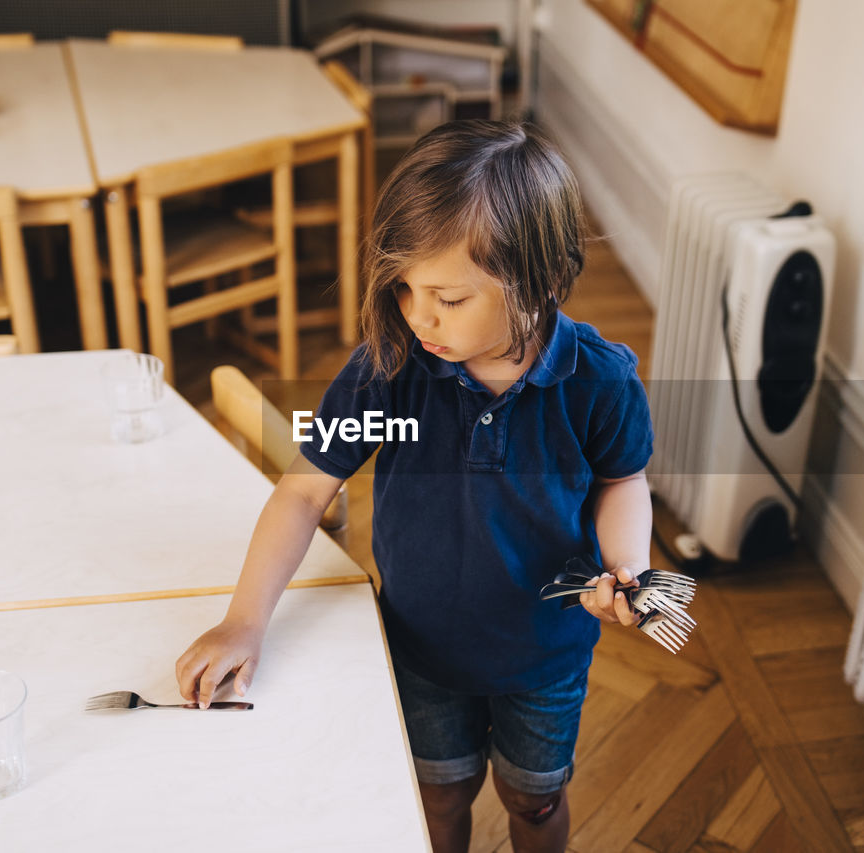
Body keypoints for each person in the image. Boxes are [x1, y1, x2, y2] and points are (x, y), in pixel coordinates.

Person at [176, 119, 654, 853]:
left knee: (534, 801)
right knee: (436, 800)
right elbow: (305, 492)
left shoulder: (600, 381)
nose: (416, 315)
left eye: (447, 298)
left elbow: (624, 480)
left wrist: (625, 564)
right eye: (402, 288)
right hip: (417, 648)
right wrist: (244, 620)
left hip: (545, 655)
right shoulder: (391, 370)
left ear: (545, 278)